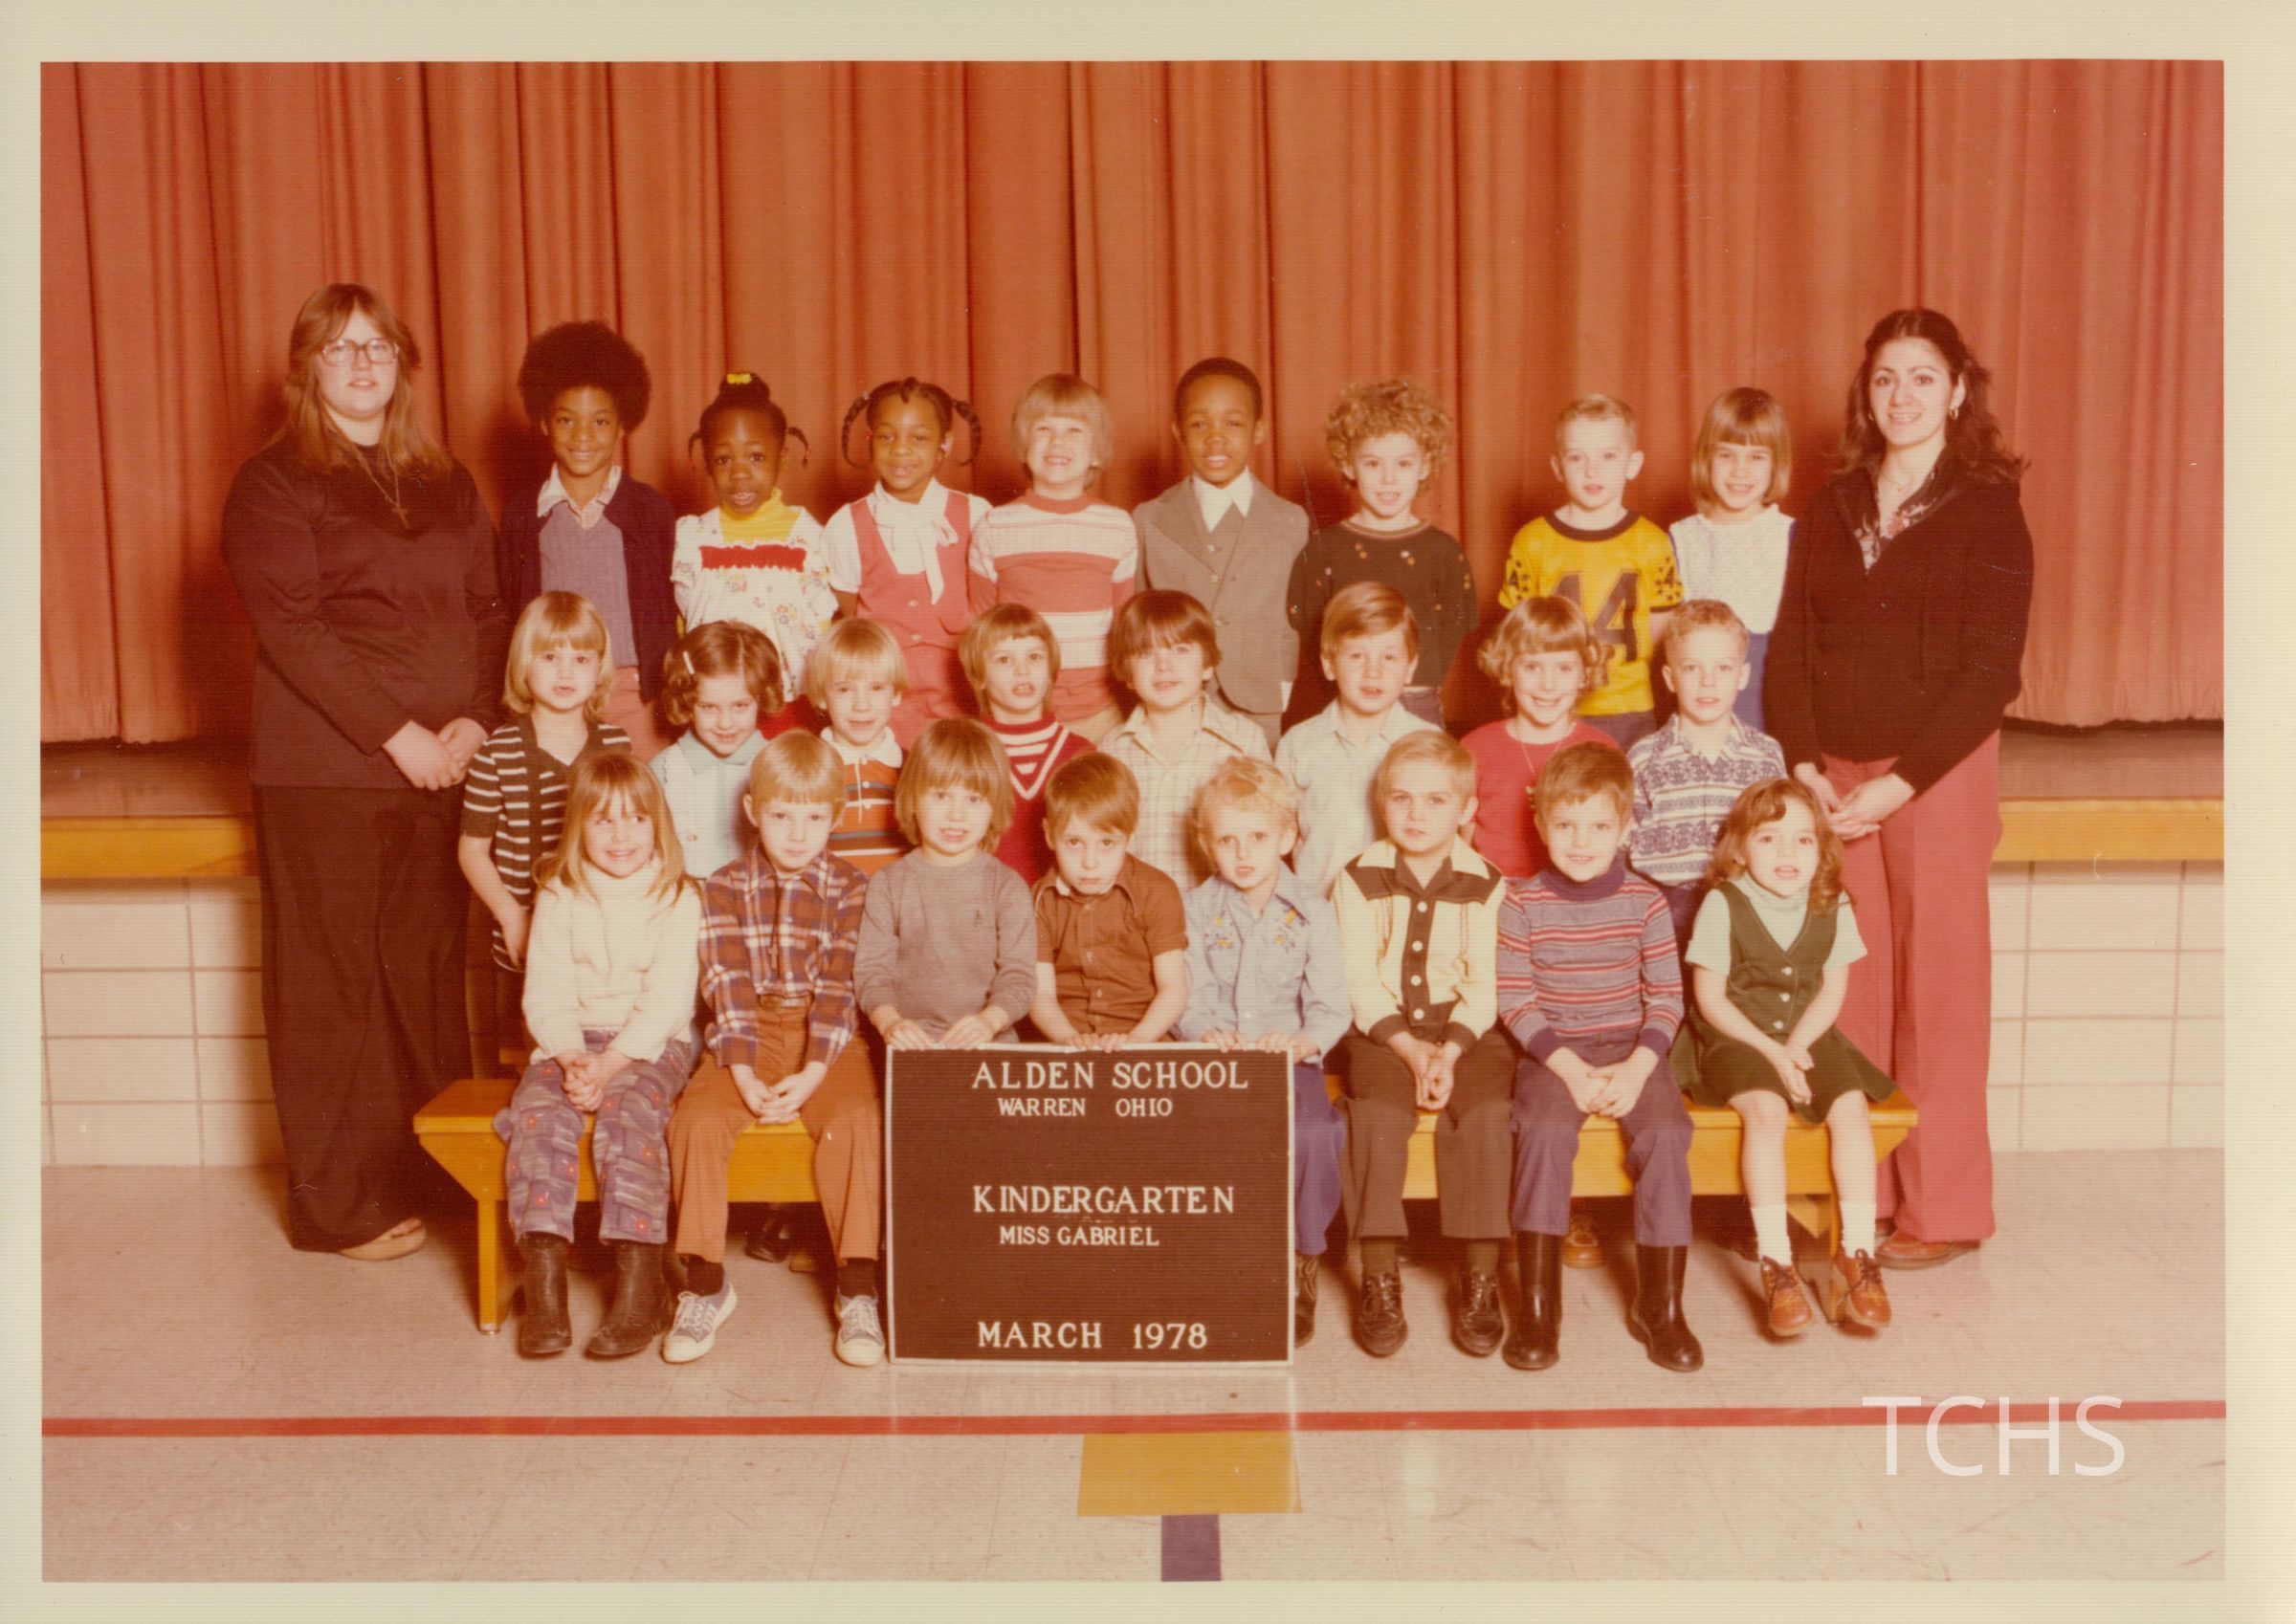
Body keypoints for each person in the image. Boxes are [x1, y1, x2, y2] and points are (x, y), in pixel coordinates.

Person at [220, 282, 507, 1261]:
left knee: (422, 976)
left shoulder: (444, 478)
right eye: (338, 348)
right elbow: (294, 630)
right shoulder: (273, 483)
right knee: (330, 984)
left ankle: (433, 1174)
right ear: (307, 368)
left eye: (376, 346)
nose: (359, 363)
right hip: (327, 773)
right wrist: (399, 734)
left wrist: (473, 718)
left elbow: (490, 609)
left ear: (402, 365)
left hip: (443, 764)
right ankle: (333, 1207)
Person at [1766, 307, 2034, 1271]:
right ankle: (1861, 1199)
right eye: (1886, 378)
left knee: (1941, 991)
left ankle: (1944, 1212)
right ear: (1866, 394)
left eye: (1923, 377)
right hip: (1833, 772)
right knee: (1848, 989)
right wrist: (1804, 760)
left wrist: (1904, 783)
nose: (1903, 396)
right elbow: (1793, 643)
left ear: (1957, 391)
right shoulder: (1833, 503)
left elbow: (1991, 671)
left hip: (1938, 775)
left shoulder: (1989, 507)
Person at [664, 734, 883, 1367]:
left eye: (814, 818)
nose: (797, 833)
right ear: (752, 811)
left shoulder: (852, 887)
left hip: (828, 1040)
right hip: (746, 1035)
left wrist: (813, 1073)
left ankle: (858, 1289)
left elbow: (840, 987)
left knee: (857, 1121)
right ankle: (706, 1283)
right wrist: (740, 1072)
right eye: (782, 815)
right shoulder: (723, 886)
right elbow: (725, 981)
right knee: (696, 1121)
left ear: (836, 818)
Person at [1495, 743, 1699, 1373]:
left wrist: (1637, 1068)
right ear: (1540, 825)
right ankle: (1539, 1309)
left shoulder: (1646, 902)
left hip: (1633, 1050)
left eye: (1598, 826)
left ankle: (1661, 1306)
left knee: (1666, 1134)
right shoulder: (1522, 903)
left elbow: (1666, 999)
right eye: (1565, 825)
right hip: (1554, 1053)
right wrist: (1570, 1070)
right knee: (1544, 1131)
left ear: (1626, 828)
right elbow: (1516, 1002)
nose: (1581, 842)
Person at [1671, 779, 1896, 1336]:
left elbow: (1832, 991)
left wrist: (1798, 1046)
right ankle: (1777, 1263)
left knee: (1852, 1109)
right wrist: (1774, 1052)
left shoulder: (1833, 902)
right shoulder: (1724, 903)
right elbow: (1710, 999)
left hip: (1807, 1033)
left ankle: (1857, 1253)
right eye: (1769, 839)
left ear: (1821, 849)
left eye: (1802, 839)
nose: (1786, 853)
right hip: (1734, 1036)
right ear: (1740, 849)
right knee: (1766, 1111)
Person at [499, 754, 701, 1359]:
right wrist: (569, 1059)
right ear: (578, 826)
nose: (621, 835)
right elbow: (546, 992)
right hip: (568, 1044)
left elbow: (667, 1002)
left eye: (636, 819)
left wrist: (610, 1064)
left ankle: (643, 1293)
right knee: (539, 1117)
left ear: (657, 824)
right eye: (603, 820)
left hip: (650, 1044)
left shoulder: (677, 895)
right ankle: (545, 1291)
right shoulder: (560, 893)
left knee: (630, 1118)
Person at [1331, 733, 1512, 1360]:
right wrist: (1410, 1050)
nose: (1416, 814)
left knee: (1485, 1114)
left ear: (1465, 810)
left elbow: (1484, 986)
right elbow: (1357, 980)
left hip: (1468, 1033)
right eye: (1401, 799)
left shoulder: (1487, 883)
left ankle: (1480, 1277)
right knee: (1378, 1116)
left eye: (1436, 801)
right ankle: (1379, 1276)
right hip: (1383, 1032)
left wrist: (1450, 1051)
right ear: (1382, 804)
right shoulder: (1358, 878)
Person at [1175, 759, 1351, 1345]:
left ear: (1287, 836)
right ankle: (1219, 1259)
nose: (1243, 853)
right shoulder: (1195, 910)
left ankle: (1302, 1261)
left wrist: (1302, 1042)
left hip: (1287, 1064)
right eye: (1227, 840)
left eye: (1257, 837)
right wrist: (1203, 1032)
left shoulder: (1312, 911)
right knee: (1198, 1138)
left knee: (1315, 1135)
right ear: (1207, 845)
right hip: (1217, 1064)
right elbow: (1189, 993)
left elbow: (1331, 1006)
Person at [457, 592, 633, 1052]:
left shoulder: (617, 745)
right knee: (531, 1056)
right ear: (523, 664)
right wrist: (510, 915)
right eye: (550, 657)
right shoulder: (496, 752)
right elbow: (472, 850)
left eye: (581, 659)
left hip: (604, 943)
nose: (566, 672)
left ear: (599, 669)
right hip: (526, 936)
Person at [497, 320, 676, 757]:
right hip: (552, 696)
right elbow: (511, 608)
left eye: (599, 421)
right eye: (566, 420)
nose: (583, 436)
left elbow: (670, 606)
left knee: (636, 796)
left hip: (635, 696)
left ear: (622, 425)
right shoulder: (524, 515)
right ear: (544, 422)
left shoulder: (650, 510)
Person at [1132, 358, 1310, 747]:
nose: (1215, 438)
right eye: (1199, 424)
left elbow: (1296, 615)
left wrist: (1283, 684)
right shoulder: (1149, 519)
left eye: (1233, 423)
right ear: (1178, 431)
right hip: (1172, 698)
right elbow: (1139, 614)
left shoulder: (1291, 521)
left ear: (1259, 430)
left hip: (1261, 699)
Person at [1286, 379, 1477, 728]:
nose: (1388, 479)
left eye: (1403, 464)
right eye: (1373, 464)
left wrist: (1418, 680)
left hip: (1417, 702)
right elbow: (1306, 623)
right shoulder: (1323, 550)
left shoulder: (1443, 552)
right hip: (1346, 702)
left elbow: (1455, 626)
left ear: (1425, 466)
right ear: (1348, 464)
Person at [1495, 394, 1683, 749]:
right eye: (1576, 457)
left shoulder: (1652, 542)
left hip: (1629, 706)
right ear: (1557, 467)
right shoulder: (1533, 541)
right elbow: (1518, 637)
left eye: (1607, 456)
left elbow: (1661, 634)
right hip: (1553, 703)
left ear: (1633, 463)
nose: (1591, 471)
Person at [818, 377, 991, 743]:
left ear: (945, 444)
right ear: (869, 441)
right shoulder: (846, 525)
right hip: (882, 715)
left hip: (964, 707)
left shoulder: (977, 515)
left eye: (919, 438)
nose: (900, 450)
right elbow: (850, 614)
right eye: (886, 436)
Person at [967, 372, 1137, 741]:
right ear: (1023, 443)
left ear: (1096, 451)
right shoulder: (994, 526)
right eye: (1043, 429)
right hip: (1016, 711)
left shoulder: (1117, 526)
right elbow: (982, 628)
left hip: (1099, 712)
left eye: (1074, 430)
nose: (1057, 441)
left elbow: (1124, 624)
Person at [855, 719, 1040, 1050]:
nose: (956, 815)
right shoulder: (888, 884)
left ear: (994, 806)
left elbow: (1020, 977)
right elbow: (872, 973)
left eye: (973, 799)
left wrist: (989, 1022)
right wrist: (890, 1022)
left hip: (990, 1044)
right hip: (911, 1046)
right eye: (941, 796)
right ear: (913, 798)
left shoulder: (1007, 887)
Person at [1625, 600, 1788, 950]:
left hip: (1742, 906)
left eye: (1723, 668)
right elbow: (1624, 842)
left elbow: (1777, 835)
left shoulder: (1765, 755)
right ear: (1670, 678)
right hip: (1661, 910)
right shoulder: (1644, 757)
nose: (1708, 682)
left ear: (1742, 676)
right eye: (1692, 668)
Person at [669, 373, 836, 708]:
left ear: (782, 456)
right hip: (717, 710)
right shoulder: (692, 538)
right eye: (723, 459)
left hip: (791, 706)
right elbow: (684, 623)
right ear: (706, 463)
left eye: (756, 457)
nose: (740, 473)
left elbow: (822, 623)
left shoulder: (809, 537)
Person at [1273, 582, 1441, 899]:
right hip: (1317, 909)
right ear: (1329, 663)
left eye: (1389, 657)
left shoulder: (1429, 743)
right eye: (1356, 656)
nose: (1373, 672)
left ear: (1410, 667)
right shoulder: (1298, 745)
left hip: (1400, 909)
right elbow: (1275, 837)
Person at [1099, 589, 1272, 889]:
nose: (1163, 665)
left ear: (1207, 665)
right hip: (1138, 914)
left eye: (1179, 650)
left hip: (1222, 912)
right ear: (1128, 673)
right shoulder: (1112, 751)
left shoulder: (1243, 742)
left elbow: (1266, 838)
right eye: (1146, 653)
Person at [1027, 754, 1190, 1051]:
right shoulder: (1039, 900)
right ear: (1049, 835)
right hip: (1065, 1043)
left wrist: (1136, 1041)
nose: (1090, 862)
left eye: (1106, 843)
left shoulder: (1158, 891)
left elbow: (1174, 989)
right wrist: (1069, 1040)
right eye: (1074, 842)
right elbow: (1041, 996)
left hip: (1144, 1040)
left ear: (1130, 836)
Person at [1460, 597, 1620, 879]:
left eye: (1564, 668)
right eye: (1532, 667)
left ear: (1585, 674)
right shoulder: (1475, 748)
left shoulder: (1602, 750)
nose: (1548, 684)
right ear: (1507, 669)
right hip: (1494, 890)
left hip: (1572, 890)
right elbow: (1462, 842)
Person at [1668, 387, 1796, 732]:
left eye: (1756, 457)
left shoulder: (1793, 537)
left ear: (1776, 464)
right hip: (1699, 715)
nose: (1740, 471)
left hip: (1771, 712)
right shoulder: (1681, 539)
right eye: (1726, 455)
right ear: (1706, 459)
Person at [958, 604, 1093, 885]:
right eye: (1004, 659)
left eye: (1034, 656)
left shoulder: (1081, 754)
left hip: (1060, 906)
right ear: (978, 676)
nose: (1022, 670)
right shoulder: (964, 753)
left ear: (1051, 669)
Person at [648, 621, 785, 884]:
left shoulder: (779, 765)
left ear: (761, 699)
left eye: (740, 706)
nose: (725, 723)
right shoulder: (663, 770)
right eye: (709, 707)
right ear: (687, 704)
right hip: (687, 897)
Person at [807, 616, 914, 877]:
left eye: (876, 688)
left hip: (897, 899)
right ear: (822, 696)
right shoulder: (808, 769)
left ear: (896, 693)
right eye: (844, 689)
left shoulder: (913, 769)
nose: (861, 705)